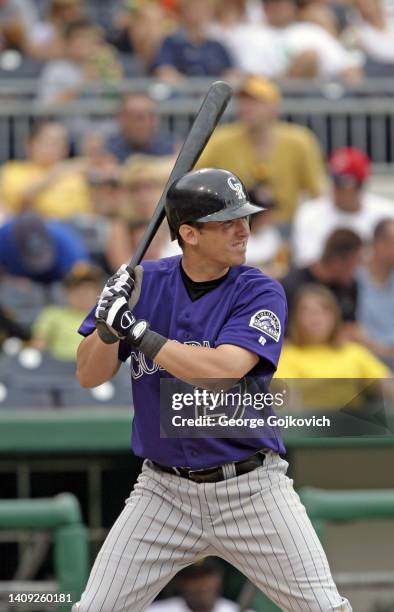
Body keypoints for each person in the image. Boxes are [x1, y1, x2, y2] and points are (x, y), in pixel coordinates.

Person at [74, 168, 351, 611]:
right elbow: (88, 374)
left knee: (324, 608)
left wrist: (137, 330)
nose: (245, 229)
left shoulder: (260, 291)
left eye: (245, 219)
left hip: (252, 488)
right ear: (190, 233)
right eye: (229, 222)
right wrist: (109, 328)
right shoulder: (144, 284)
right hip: (162, 493)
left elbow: (222, 372)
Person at [196, 76, 325, 225]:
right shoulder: (221, 139)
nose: (247, 107)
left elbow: (317, 190)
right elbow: (192, 175)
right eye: (243, 101)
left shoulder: (300, 140)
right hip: (234, 225)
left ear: (274, 107)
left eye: (256, 101)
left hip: (286, 226)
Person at [274, 284, 394, 411]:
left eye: (324, 309)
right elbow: (287, 405)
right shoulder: (285, 356)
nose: (316, 316)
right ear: (295, 318)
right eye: (306, 311)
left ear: (335, 315)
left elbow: (393, 391)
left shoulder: (354, 352)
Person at [291, 147, 394, 267]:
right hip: (328, 282)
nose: (336, 189)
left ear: (360, 185)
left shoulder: (390, 212)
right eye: (334, 181)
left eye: (343, 184)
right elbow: (306, 261)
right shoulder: (310, 212)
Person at [0, 121, 91, 220]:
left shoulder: (77, 171)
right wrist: (59, 171)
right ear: (30, 144)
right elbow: (22, 198)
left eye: (61, 142)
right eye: (50, 141)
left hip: (83, 225)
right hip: (40, 228)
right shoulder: (14, 170)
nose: (55, 147)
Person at [357, 218, 394, 371]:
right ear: (379, 245)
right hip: (370, 358)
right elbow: (352, 332)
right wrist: (388, 353)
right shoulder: (354, 282)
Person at [282, 228, 363, 325]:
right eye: (353, 264)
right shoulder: (291, 286)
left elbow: (350, 326)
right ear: (336, 262)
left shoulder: (350, 286)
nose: (355, 271)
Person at [31, 264, 103, 361]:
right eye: (78, 289)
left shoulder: (107, 318)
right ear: (67, 293)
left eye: (89, 289)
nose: (84, 294)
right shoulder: (52, 314)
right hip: (58, 370)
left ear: (98, 292)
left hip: (97, 368)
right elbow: (38, 346)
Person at [151, 0, 236, 80]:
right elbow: (164, 71)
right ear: (184, 11)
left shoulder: (217, 46)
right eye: (194, 7)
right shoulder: (172, 42)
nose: (199, 13)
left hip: (212, 94)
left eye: (204, 9)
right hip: (181, 95)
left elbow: (230, 74)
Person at [0, 212, 89, 284]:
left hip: (60, 281)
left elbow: (84, 277)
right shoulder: (3, 240)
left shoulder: (70, 247)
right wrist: (10, 280)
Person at [147, 558, 241, 612]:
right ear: (181, 583)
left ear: (219, 578)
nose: (202, 586)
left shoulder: (236, 610)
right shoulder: (157, 610)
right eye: (195, 578)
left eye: (207, 576)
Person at [105, 93, 176, 163]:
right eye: (139, 118)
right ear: (122, 119)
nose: (147, 123)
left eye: (151, 117)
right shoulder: (107, 149)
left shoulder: (170, 147)